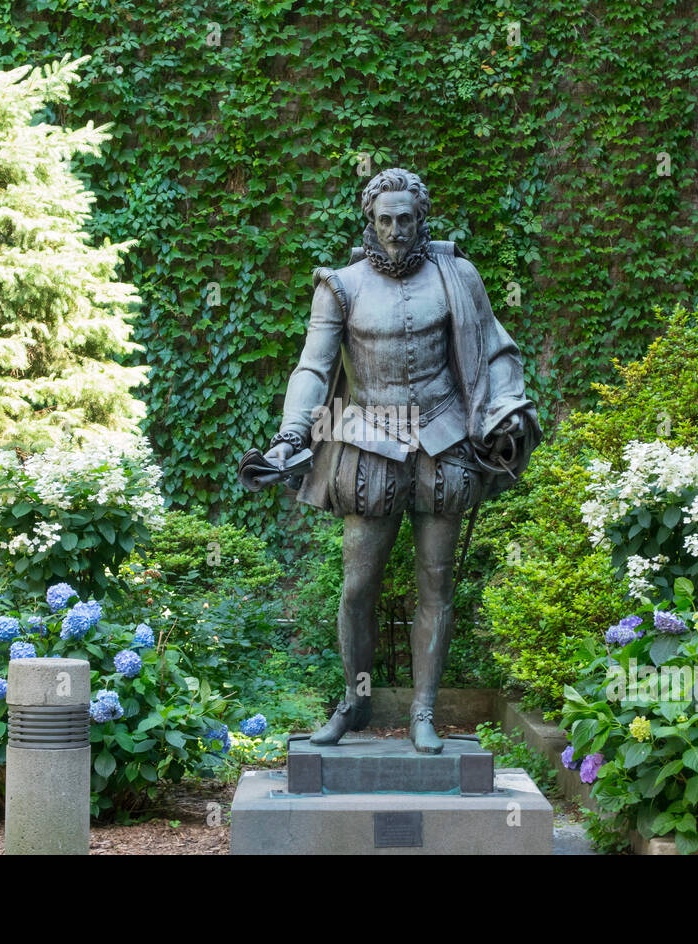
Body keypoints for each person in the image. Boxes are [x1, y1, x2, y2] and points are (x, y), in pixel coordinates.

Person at [262, 168, 539, 753]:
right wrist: (291, 437)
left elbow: (494, 350)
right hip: (369, 445)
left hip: (444, 443)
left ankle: (423, 712)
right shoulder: (339, 286)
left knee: (437, 584)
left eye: (404, 220)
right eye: (384, 220)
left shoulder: (458, 276)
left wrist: (506, 408)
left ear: (421, 220)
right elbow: (312, 368)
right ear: (370, 220)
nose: (394, 231)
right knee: (358, 587)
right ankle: (355, 700)